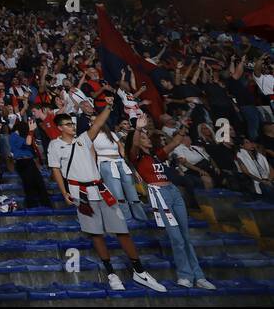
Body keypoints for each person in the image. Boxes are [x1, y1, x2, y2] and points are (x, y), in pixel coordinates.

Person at [47, 102, 166, 293]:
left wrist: (109, 106)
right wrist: (64, 192)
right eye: (68, 124)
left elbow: (96, 124)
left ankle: (139, 271)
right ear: (60, 127)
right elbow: (55, 170)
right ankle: (111, 274)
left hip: (101, 189)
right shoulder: (54, 145)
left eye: (72, 123)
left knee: (122, 230)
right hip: (81, 193)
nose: (72, 126)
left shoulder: (83, 139)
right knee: (96, 234)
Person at [128, 126, 215, 290]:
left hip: (173, 191)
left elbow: (175, 143)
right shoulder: (136, 157)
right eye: (144, 137)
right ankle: (184, 275)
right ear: (138, 141)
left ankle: (199, 276)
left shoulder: (155, 155)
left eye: (147, 136)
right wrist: (139, 129)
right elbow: (132, 144)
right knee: (176, 237)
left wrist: (182, 128)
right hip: (159, 194)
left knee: (185, 236)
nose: (147, 139)